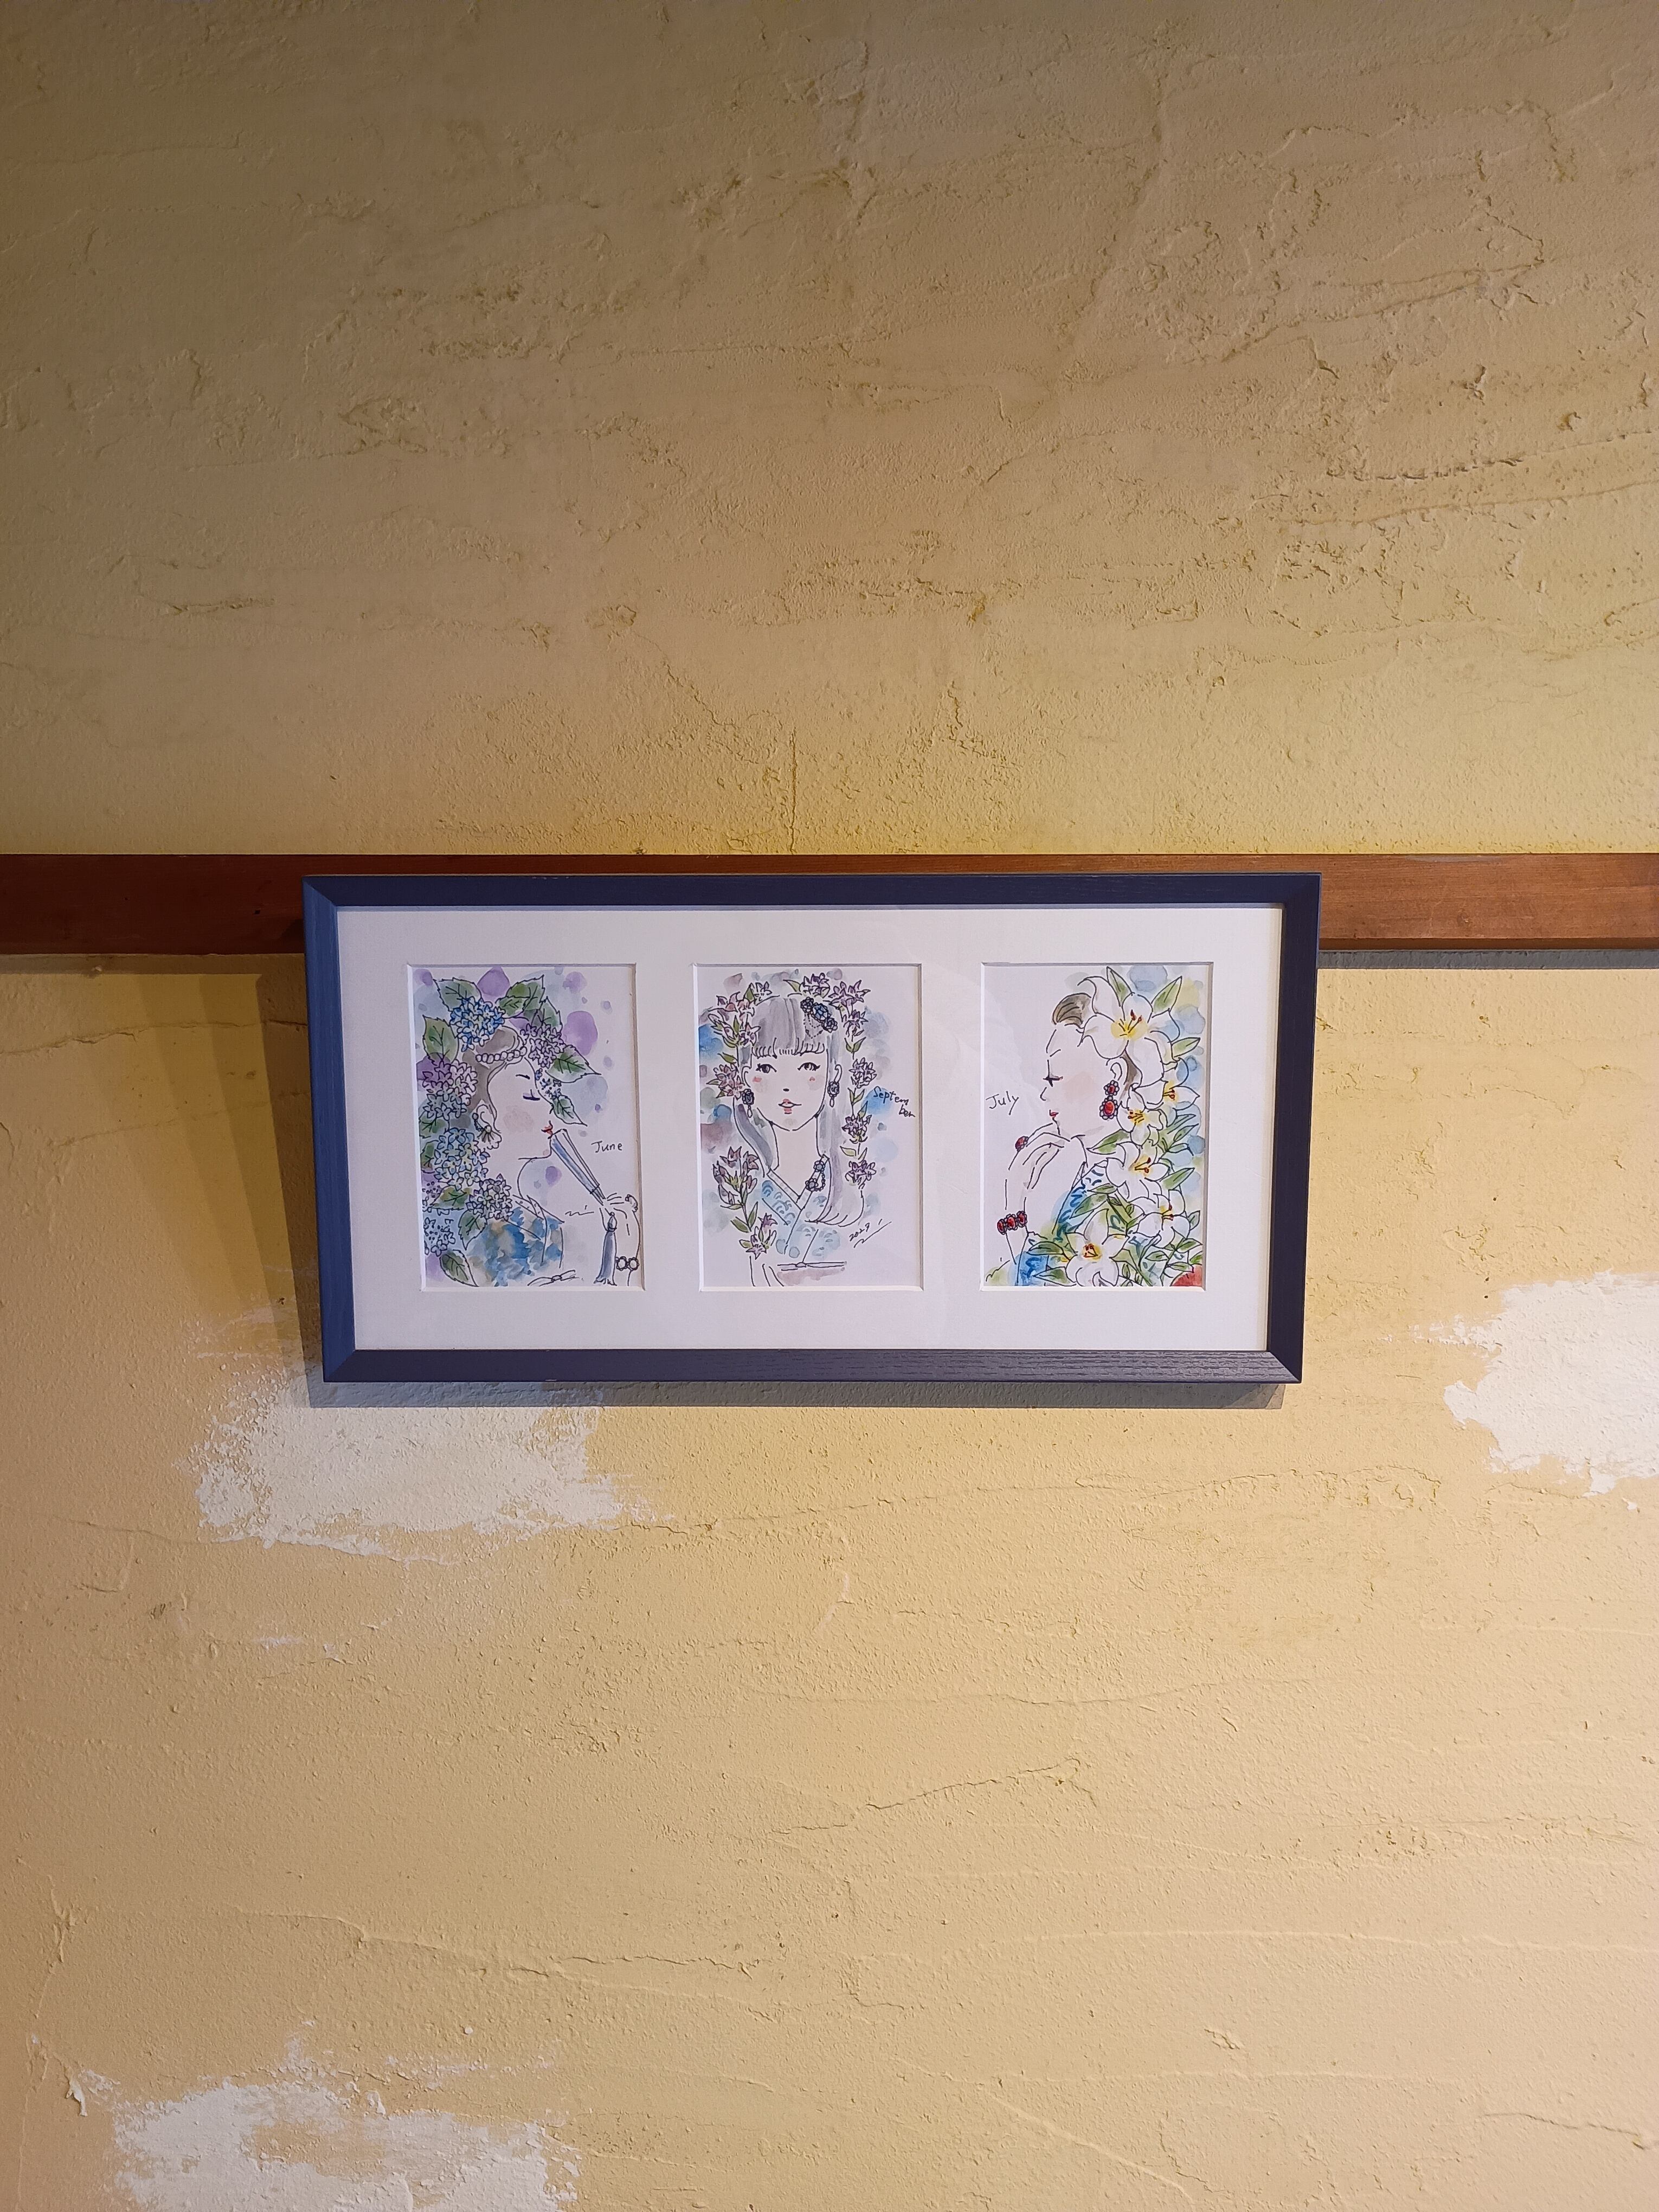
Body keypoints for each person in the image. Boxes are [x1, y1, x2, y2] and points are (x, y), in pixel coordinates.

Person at [435, 1025, 640, 1287]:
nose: (547, 1105)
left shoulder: (536, 1218)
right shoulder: (486, 1230)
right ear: (486, 1118)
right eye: (530, 1095)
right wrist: (621, 1259)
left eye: (540, 1093)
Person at [728, 992, 863, 1285]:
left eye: (808, 1067)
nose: (787, 1087)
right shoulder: (740, 1186)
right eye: (767, 1068)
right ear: (746, 1077)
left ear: (832, 1074)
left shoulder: (848, 1185)